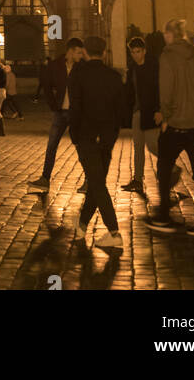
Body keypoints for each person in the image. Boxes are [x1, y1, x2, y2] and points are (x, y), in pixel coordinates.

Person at [147, 17, 194, 238]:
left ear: (169, 35)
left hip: (176, 126)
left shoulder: (167, 56)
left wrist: (165, 115)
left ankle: (163, 217)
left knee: (164, 170)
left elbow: (166, 90)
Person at [68, 35, 126, 250]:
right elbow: (121, 111)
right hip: (106, 137)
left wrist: (74, 135)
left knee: (97, 184)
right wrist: (111, 135)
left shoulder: (78, 75)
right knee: (95, 181)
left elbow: (75, 107)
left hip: (86, 136)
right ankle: (81, 226)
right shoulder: (114, 76)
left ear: (85, 52)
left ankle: (114, 232)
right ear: (103, 52)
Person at [121, 36, 181, 197]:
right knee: (138, 147)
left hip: (151, 112)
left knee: (153, 145)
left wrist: (160, 110)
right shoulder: (133, 68)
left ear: (144, 51)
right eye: (132, 52)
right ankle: (138, 180)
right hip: (137, 112)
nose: (135, 55)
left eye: (138, 51)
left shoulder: (154, 66)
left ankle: (173, 168)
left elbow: (161, 89)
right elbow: (129, 91)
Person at [27, 37, 85, 191]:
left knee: (80, 147)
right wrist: (53, 105)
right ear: (70, 51)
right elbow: (46, 85)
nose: (81, 56)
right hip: (60, 112)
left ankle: (89, 180)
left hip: (76, 113)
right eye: (78, 53)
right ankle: (45, 179)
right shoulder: (56, 65)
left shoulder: (82, 67)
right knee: (51, 146)